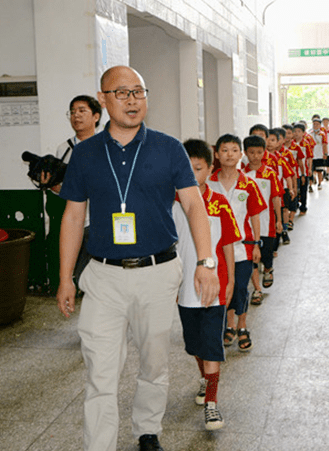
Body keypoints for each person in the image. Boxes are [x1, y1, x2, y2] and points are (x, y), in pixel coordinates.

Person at [57, 65, 219, 451]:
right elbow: (74, 215)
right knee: (101, 369)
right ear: (103, 100)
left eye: (138, 92)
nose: (132, 100)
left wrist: (205, 263)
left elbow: (195, 205)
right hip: (104, 275)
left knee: (154, 362)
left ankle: (148, 431)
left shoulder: (168, 148)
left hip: (158, 271)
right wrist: (66, 277)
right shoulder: (86, 154)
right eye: (122, 93)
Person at [173, 138, 240, 432]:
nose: (191, 174)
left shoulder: (219, 202)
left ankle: (212, 404)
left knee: (212, 342)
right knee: (195, 343)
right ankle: (205, 378)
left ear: (209, 169)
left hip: (215, 285)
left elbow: (226, 244)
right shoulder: (171, 202)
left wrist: (232, 281)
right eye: (185, 169)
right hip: (183, 286)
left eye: (197, 169)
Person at [208, 134, 266, 352]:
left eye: (234, 150)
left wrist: (257, 244)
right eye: (224, 150)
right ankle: (229, 325)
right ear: (217, 154)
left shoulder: (248, 184)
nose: (229, 154)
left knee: (240, 288)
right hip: (216, 250)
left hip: (243, 247)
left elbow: (254, 216)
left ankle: (242, 326)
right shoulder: (209, 183)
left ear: (240, 154)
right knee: (224, 288)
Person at [43, 95, 102, 286]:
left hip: (100, 222)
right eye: (73, 112)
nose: (76, 116)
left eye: (82, 111)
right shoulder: (65, 149)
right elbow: (62, 189)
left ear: (96, 116)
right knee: (80, 275)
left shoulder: (106, 146)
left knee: (101, 275)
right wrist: (52, 186)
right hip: (75, 223)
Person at [243, 135, 283, 302]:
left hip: (267, 223)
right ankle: (257, 289)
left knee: (266, 255)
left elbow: (275, 197)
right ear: (245, 153)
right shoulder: (243, 175)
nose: (255, 156)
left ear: (264, 152)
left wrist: (279, 220)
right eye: (251, 152)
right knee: (252, 258)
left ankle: (268, 269)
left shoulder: (270, 173)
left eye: (259, 152)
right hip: (248, 224)